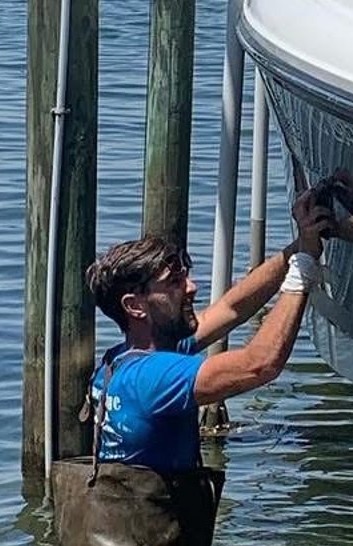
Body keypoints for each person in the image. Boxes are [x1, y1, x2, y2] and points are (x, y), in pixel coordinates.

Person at [82, 194, 332, 473]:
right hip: (161, 514)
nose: (191, 287)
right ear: (134, 306)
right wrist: (302, 271)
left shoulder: (122, 361)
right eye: (174, 283)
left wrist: (297, 248)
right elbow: (259, 364)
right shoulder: (155, 378)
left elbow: (231, 308)